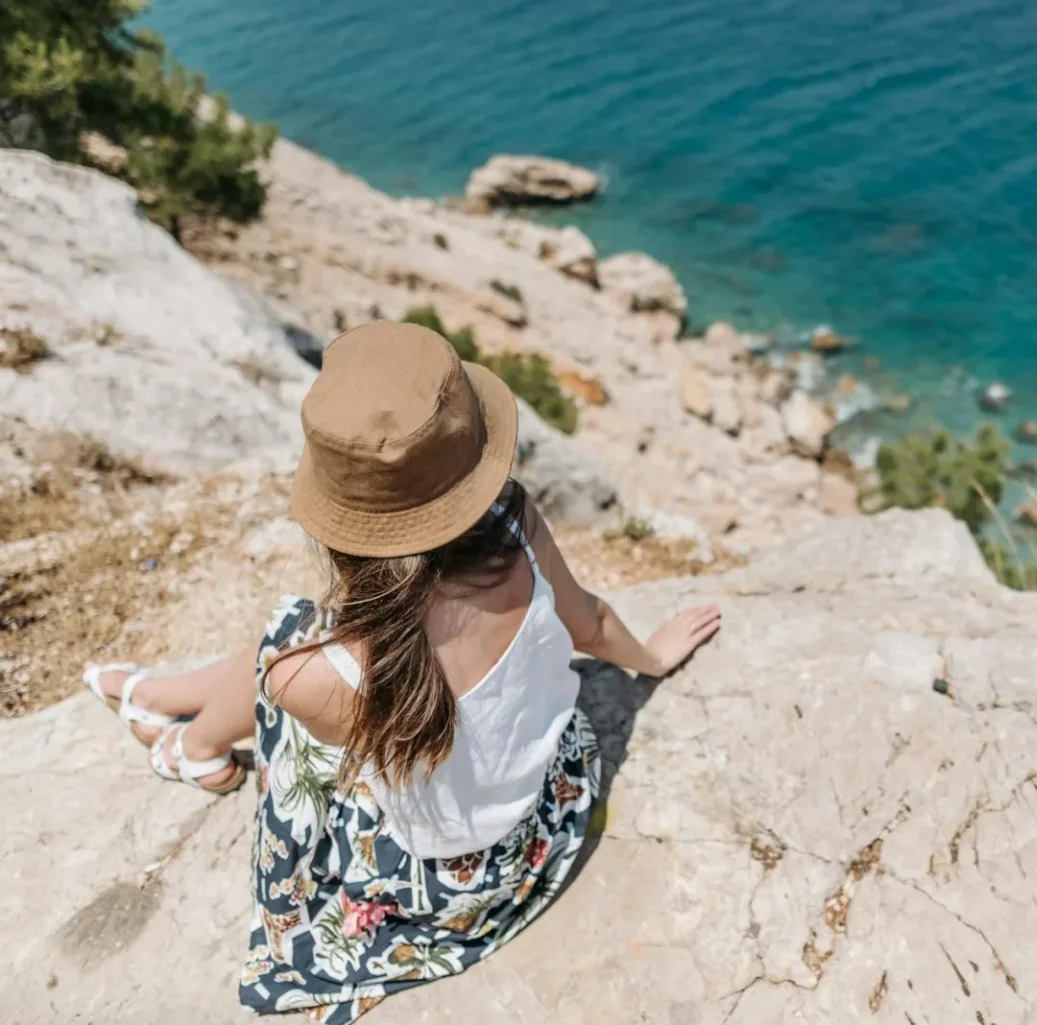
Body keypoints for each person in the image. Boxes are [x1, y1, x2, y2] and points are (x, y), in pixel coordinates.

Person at [79, 322, 721, 1022]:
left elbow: (314, 771)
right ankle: (167, 709)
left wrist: (294, 668)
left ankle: (187, 734)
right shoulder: (519, 527)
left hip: (438, 887)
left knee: (284, 649)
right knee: (297, 653)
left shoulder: (318, 676)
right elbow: (589, 623)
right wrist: (652, 659)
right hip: (541, 822)